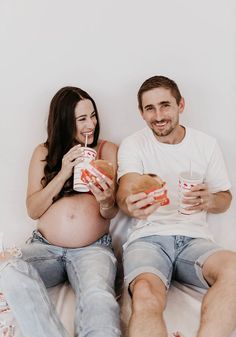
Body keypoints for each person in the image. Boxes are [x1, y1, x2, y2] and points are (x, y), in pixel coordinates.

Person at [116, 75, 236, 337]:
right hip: (149, 239)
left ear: (181, 105)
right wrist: (130, 204)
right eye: (150, 108)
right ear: (141, 113)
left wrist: (211, 200)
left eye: (165, 105)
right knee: (145, 293)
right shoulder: (134, 144)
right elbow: (126, 188)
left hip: (195, 240)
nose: (159, 115)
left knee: (234, 270)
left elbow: (225, 197)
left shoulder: (206, 144)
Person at [0, 86, 121, 337]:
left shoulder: (107, 150)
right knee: (8, 268)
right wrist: (65, 171)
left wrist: (106, 198)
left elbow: (110, 213)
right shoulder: (43, 152)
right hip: (45, 247)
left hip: (93, 249)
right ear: (65, 121)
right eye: (82, 119)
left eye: (93, 115)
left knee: (98, 296)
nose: (91, 124)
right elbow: (33, 209)